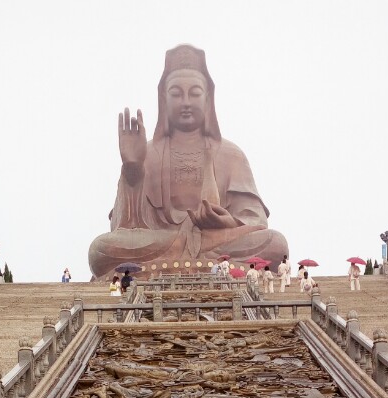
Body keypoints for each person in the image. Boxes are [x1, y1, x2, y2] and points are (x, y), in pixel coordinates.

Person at [88, 45, 288, 279]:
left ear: (207, 99)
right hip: (162, 239)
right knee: (100, 249)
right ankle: (193, 257)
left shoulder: (231, 153)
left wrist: (228, 222)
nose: (185, 101)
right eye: (176, 93)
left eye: (194, 93)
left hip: (215, 239)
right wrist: (132, 170)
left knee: (275, 242)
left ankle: (187, 258)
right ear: (164, 99)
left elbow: (256, 219)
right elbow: (124, 226)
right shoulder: (149, 151)